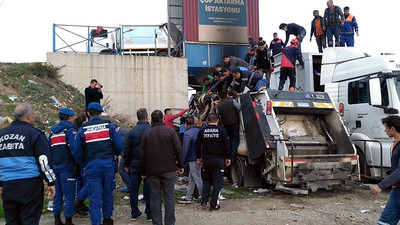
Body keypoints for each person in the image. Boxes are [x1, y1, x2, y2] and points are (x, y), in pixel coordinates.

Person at [0, 103, 56, 225]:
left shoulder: (2, 135)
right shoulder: (35, 134)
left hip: (8, 186)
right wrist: (51, 181)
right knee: (29, 220)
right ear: (29, 116)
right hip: (29, 185)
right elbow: (43, 161)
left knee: (12, 221)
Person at [73, 102, 123, 225]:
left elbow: (77, 152)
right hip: (108, 165)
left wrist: (83, 164)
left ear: (88, 113)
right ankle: (107, 219)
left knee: (94, 199)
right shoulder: (109, 126)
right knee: (107, 193)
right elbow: (119, 146)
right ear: (101, 113)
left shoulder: (82, 130)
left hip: (91, 167)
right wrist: (113, 156)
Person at [140, 110, 184, 225]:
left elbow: (142, 155)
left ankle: (157, 222)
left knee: (155, 199)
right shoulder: (170, 132)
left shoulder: (147, 134)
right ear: (162, 119)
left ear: (151, 120)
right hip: (169, 169)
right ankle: (170, 223)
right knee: (169, 198)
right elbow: (178, 150)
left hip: (153, 171)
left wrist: (143, 171)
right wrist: (180, 165)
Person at [196, 113, 231, 211]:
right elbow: (227, 145)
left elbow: (198, 145)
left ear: (207, 121)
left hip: (206, 160)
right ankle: (213, 205)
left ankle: (204, 199)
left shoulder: (202, 130)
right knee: (217, 182)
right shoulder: (221, 130)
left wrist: (199, 157)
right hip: (219, 160)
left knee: (206, 180)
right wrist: (228, 157)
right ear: (217, 121)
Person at [49, 108, 77, 225]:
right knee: (69, 195)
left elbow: (48, 149)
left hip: (55, 166)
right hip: (67, 166)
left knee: (58, 194)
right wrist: (78, 163)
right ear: (70, 117)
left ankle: (57, 219)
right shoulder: (70, 131)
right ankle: (68, 220)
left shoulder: (53, 132)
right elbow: (74, 149)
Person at [124, 108, 152, 221]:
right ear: (147, 117)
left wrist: (126, 163)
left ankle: (134, 212)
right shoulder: (151, 130)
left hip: (134, 164)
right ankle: (149, 213)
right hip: (149, 165)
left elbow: (127, 149)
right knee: (149, 190)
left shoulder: (132, 131)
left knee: (134, 189)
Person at [371, 116, 400, 224]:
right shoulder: (397, 144)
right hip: (396, 190)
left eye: (386, 127)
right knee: (384, 222)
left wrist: (381, 185)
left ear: (392, 128)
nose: (385, 130)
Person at [178, 115, 202, 204]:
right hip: (199, 158)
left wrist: (181, 163)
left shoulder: (187, 134)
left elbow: (185, 149)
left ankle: (204, 196)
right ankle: (188, 196)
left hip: (193, 158)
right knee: (192, 178)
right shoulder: (199, 131)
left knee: (197, 178)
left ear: (186, 124)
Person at [215, 92, 241, 159]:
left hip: (226, 124)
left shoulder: (218, 105)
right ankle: (232, 155)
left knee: (229, 139)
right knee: (235, 139)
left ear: (220, 98)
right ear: (226, 95)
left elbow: (217, 114)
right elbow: (239, 107)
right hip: (235, 122)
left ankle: (228, 154)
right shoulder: (231, 100)